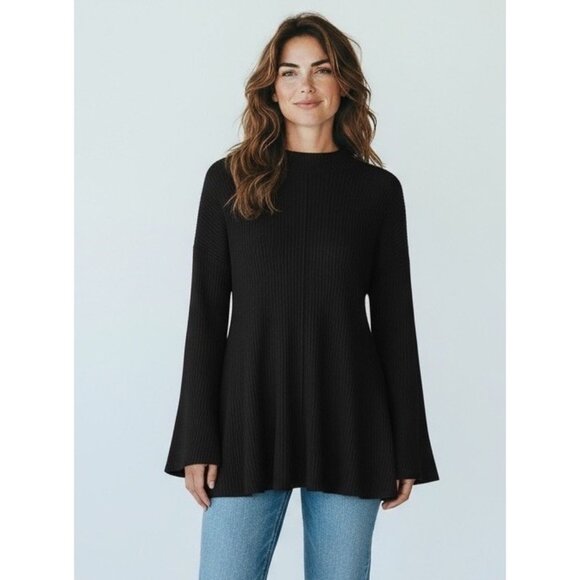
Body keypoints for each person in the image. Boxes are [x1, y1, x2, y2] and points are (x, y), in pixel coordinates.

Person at [164, 11, 440, 580]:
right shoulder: (229, 180)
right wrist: (197, 436)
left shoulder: (377, 192)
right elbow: (206, 315)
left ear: (345, 83)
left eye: (321, 69)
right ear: (272, 87)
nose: (305, 86)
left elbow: (396, 325)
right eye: (289, 72)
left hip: (351, 420)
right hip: (246, 420)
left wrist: (409, 446)